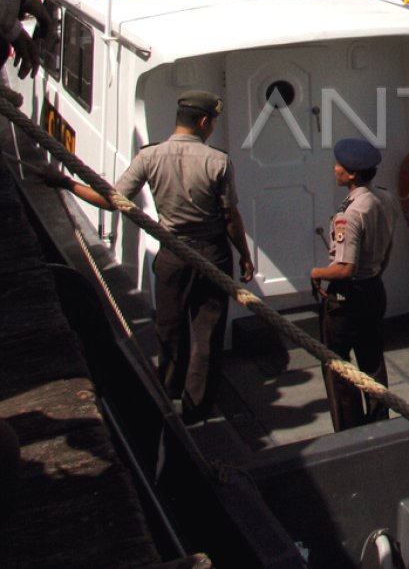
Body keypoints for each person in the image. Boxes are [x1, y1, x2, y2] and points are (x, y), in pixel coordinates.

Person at [44, 91, 255, 423]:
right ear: (203, 122)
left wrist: (66, 183)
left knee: (170, 328)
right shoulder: (218, 161)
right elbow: (229, 217)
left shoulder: (150, 156)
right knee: (208, 334)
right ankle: (198, 407)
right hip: (212, 254)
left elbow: (111, 200)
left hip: (173, 252)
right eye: (212, 121)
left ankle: (169, 392)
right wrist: (244, 254)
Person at [310, 138, 401, 432]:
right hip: (375, 290)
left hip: (347, 299)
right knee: (372, 361)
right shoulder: (385, 199)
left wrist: (316, 272)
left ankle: (349, 431)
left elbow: (345, 268)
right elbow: (386, 250)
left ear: (351, 175)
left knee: (337, 366)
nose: (334, 168)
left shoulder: (350, 215)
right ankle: (379, 423)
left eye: (339, 165)